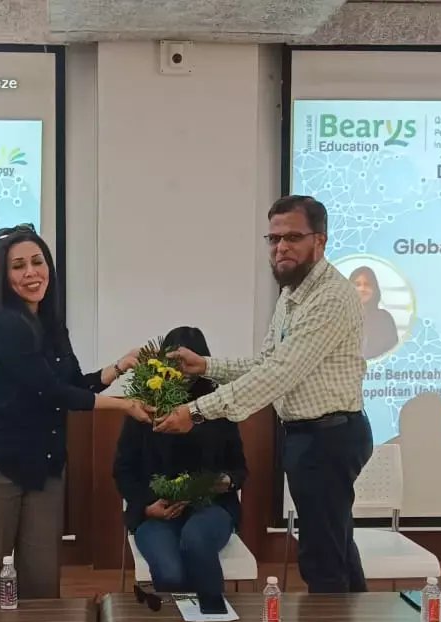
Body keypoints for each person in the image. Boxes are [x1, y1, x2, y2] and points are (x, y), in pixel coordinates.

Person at [156, 195, 371, 594]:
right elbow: (266, 362)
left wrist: (197, 411)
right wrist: (206, 366)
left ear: (320, 240)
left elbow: (278, 374)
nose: (280, 247)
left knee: (322, 557)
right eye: (273, 238)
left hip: (329, 439)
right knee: (335, 546)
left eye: (292, 237)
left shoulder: (330, 298)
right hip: (309, 438)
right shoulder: (292, 293)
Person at [0, 223, 152, 600]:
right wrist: (125, 405)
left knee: (42, 585)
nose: (31, 273)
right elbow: (51, 393)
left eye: (37, 262)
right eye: (18, 266)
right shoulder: (3, 324)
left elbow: (74, 384)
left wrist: (119, 367)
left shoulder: (51, 324)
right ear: (2, 275)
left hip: (44, 467)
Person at [114, 326, 247, 597]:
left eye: (189, 363)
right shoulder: (144, 407)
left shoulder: (217, 406)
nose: (183, 372)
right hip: (155, 512)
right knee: (170, 573)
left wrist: (224, 481)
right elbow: (123, 469)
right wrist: (147, 507)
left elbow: (239, 470)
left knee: (196, 540)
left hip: (210, 508)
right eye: (175, 364)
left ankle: (212, 613)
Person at [348, 265, 398, 359]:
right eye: (357, 284)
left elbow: (393, 354)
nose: (362, 289)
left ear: (374, 289)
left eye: (367, 284)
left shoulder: (384, 319)